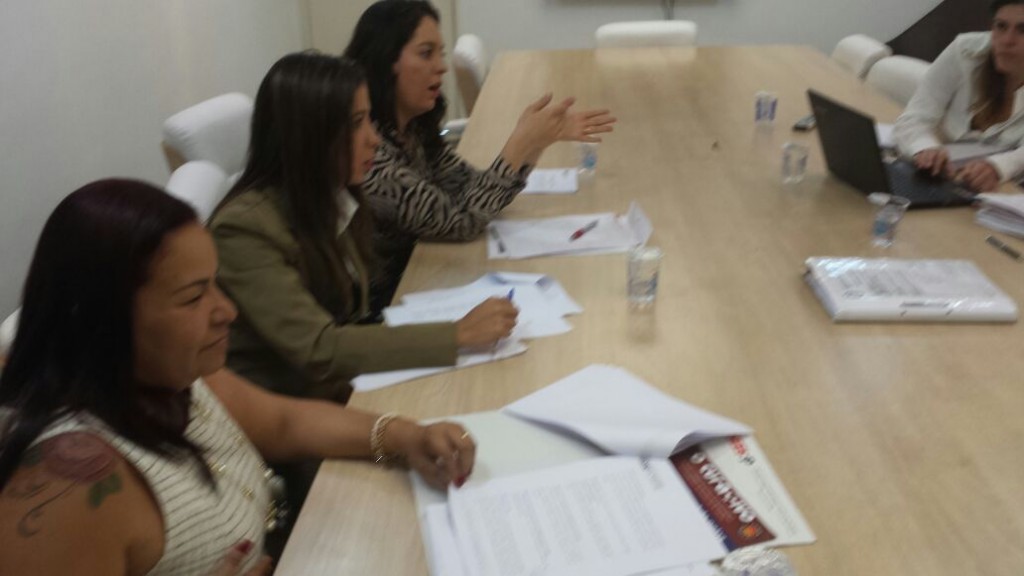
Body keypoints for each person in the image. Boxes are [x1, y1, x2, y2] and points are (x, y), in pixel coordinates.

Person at [0, 180, 476, 575]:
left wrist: (402, 436)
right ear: (102, 322)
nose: (226, 310)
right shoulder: (72, 482)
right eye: (193, 298)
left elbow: (284, 423)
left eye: (215, 285)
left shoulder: (171, 377)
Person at [210, 52, 517, 406]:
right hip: (285, 410)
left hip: (340, 385)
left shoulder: (331, 193)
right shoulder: (243, 230)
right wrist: (458, 334)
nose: (374, 139)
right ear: (309, 135)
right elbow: (319, 348)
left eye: (369, 119)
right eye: (356, 123)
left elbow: (350, 315)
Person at [344, 0, 617, 307]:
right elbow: (462, 221)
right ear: (385, 60)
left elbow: (470, 187)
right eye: (425, 53)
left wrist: (534, 144)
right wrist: (520, 144)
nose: (441, 67)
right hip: (390, 303)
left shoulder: (412, 128)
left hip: (426, 274)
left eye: (440, 53)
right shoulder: (372, 156)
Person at [895, 0, 1024, 192]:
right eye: (1001, 26)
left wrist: (996, 167)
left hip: (997, 191)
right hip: (934, 175)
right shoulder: (964, 50)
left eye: (1022, 30)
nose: (1007, 40)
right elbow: (915, 117)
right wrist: (925, 148)